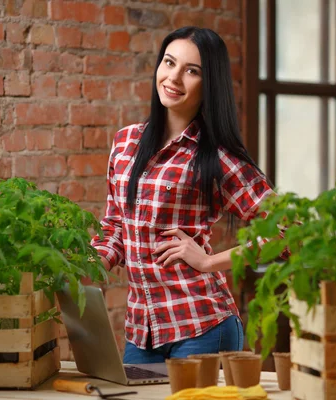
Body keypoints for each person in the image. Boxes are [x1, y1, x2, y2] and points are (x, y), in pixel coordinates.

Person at [91, 26, 276, 364]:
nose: (174, 78)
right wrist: (88, 268)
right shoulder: (125, 143)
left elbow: (286, 231)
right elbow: (115, 229)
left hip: (203, 326)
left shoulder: (219, 157)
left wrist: (208, 261)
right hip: (142, 331)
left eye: (191, 71)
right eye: (169, 63)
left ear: (209, 85)